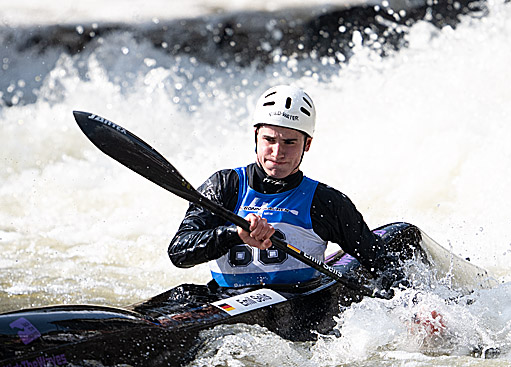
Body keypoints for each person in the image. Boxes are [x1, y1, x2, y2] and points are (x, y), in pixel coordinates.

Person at [168, 84, 395, 292]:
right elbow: (178, 252)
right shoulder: (224, 186)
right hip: (226, 299)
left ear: (307, 144)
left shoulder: (326, 202)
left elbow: (381, 262)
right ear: (256, 136)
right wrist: (234, 234)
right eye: (269, 140)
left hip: (300, 306)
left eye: (289, 142)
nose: (277, 153)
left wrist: (414, 307)